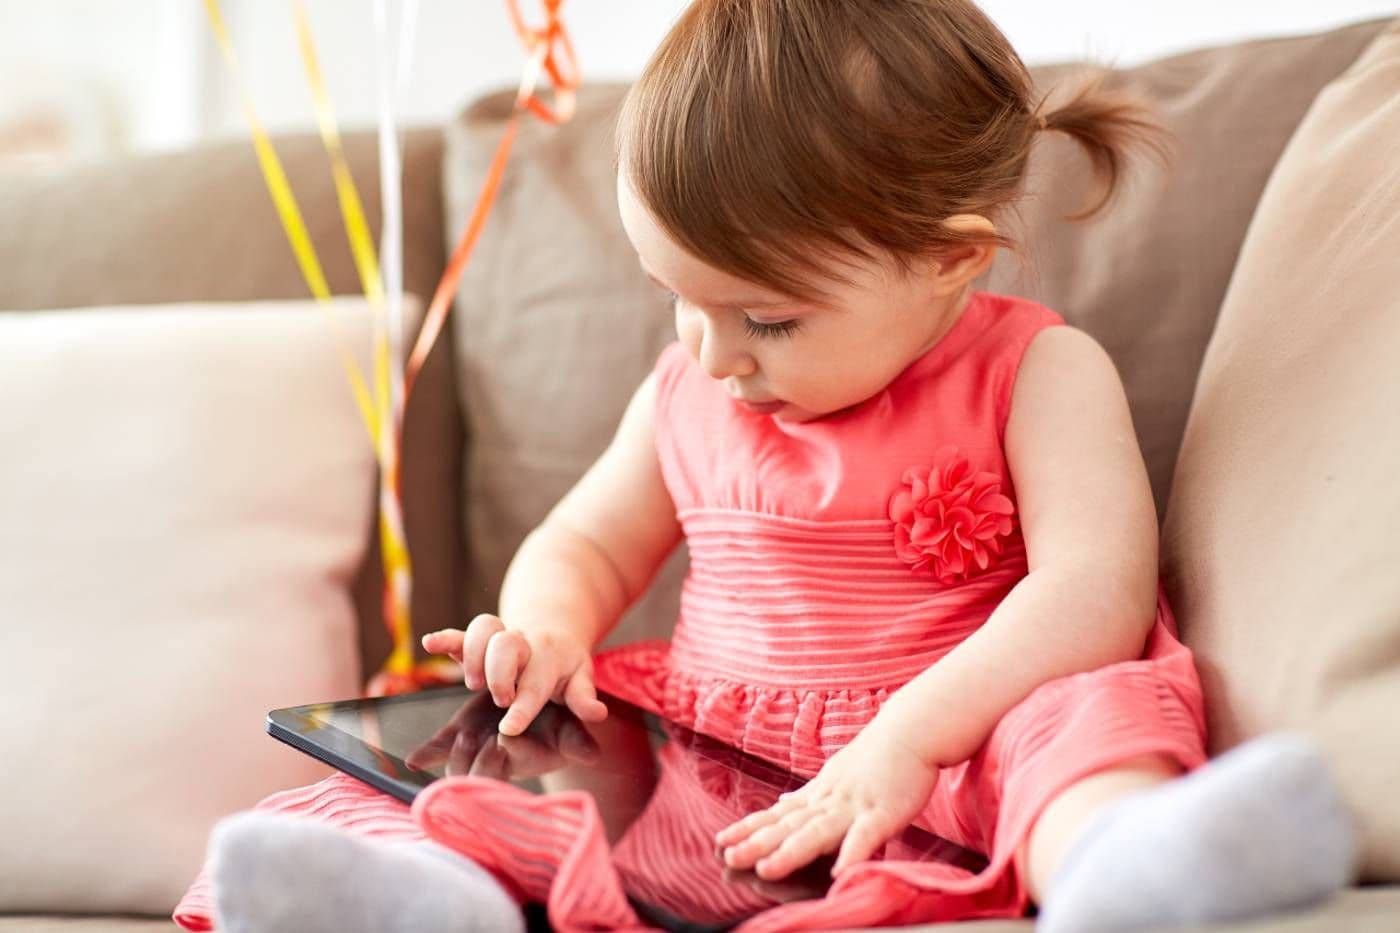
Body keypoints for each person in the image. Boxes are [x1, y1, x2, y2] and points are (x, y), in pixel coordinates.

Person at [191, 2, 1357, 931]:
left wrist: (908, 738)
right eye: (676, 301)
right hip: (713, 765)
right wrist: (544, 627)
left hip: (961, 735)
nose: (710, 353)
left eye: (767, 318)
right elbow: (586, 543)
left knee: (1085, 718)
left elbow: (1093, 593)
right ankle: (424, 903)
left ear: (946, 261)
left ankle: (1125, 868)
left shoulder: (1034, 371)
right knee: (445, 769)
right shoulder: (688, 385)